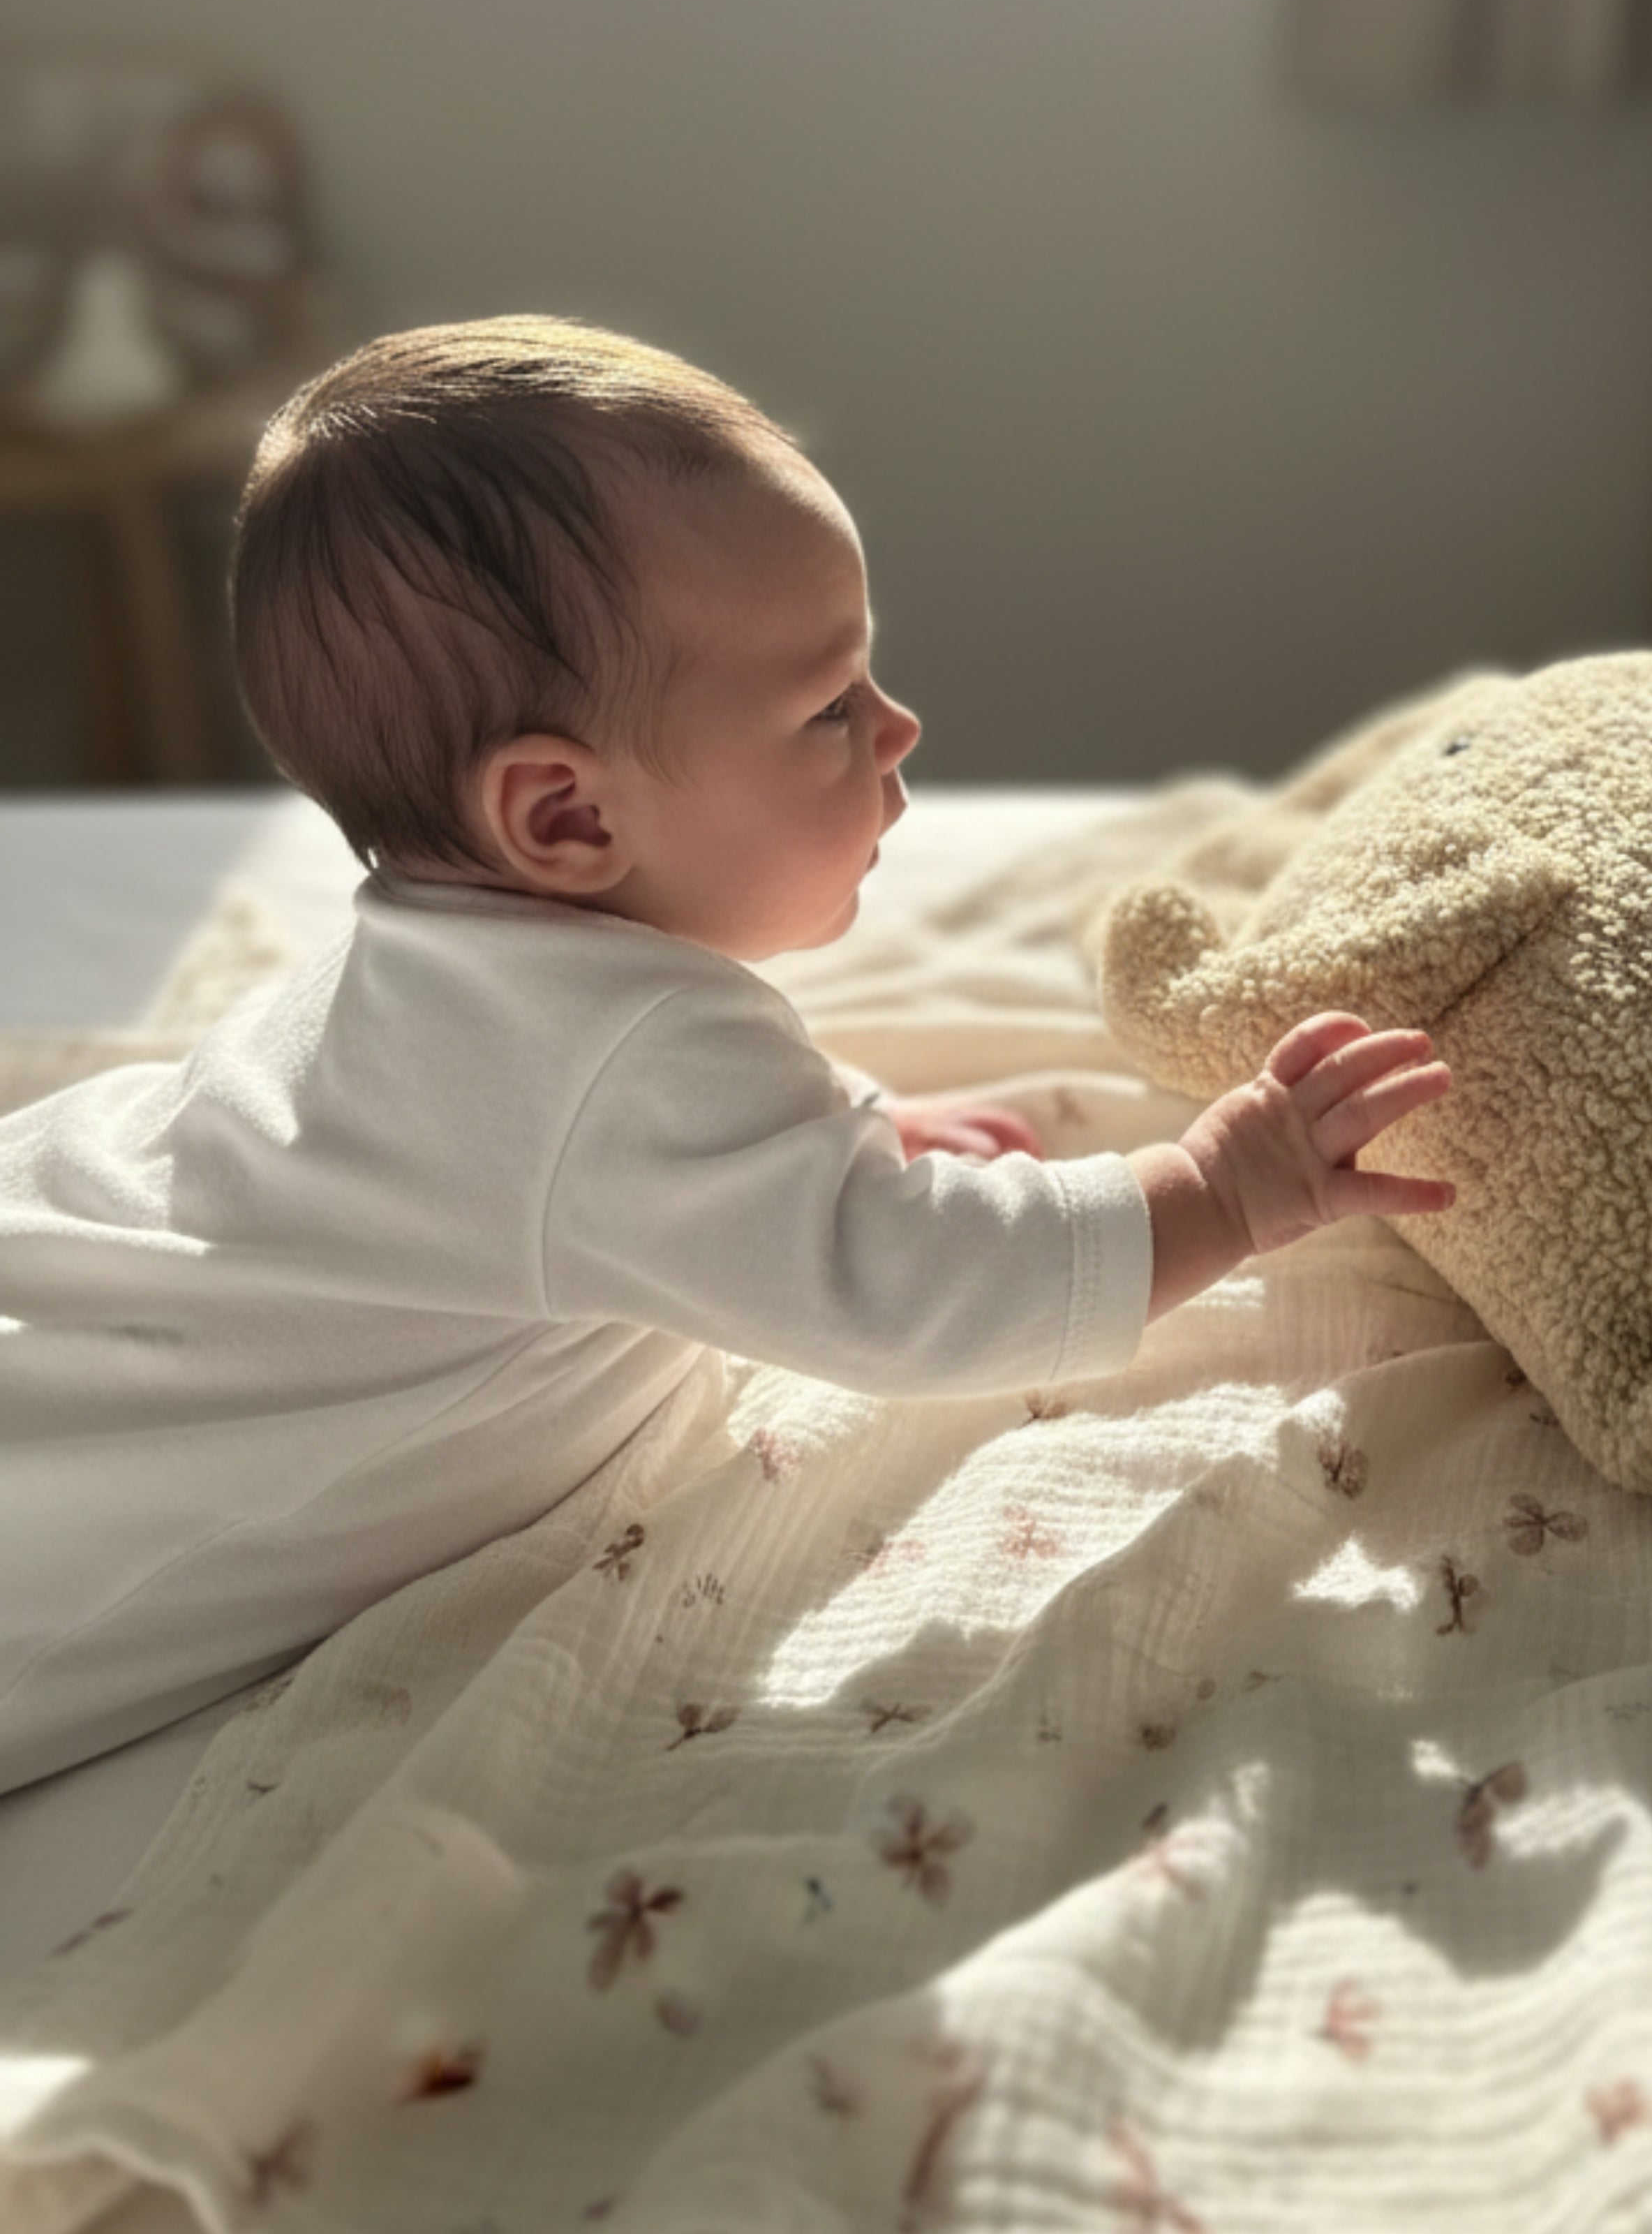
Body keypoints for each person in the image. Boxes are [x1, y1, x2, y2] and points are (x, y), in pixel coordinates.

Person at [0, 316, 1452, 1794]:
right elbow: (909, 1287)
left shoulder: (440, 972)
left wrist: (850, 1130)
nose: (897, 725)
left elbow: (660, 1164)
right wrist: (1225, 1181)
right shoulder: (624, 1062)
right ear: (564, 818)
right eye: (828, 706)